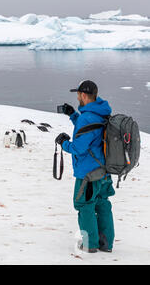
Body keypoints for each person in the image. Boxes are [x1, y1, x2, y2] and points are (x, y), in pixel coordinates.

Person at [55, 80, 115, 253]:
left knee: (84, 205)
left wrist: (63, 143)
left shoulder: (88, 117)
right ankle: (106, 243)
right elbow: (91, 131)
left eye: (78, 95)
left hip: (88, 173)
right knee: (102, 203)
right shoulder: (101, 112)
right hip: (104, 170)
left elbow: (79, 148)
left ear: (83, 95)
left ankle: (90, 244)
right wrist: (73, 115)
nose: (77, 98)